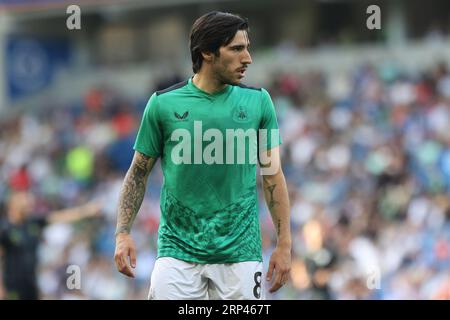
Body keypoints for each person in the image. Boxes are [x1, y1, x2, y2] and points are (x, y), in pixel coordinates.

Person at [114, 11, 291, 300]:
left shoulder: (259, 102)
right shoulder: (162, 105)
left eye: (247, 48)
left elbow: (272, 175)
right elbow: (137, 173)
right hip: (177, 253)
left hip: (241, 253)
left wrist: (284, 244)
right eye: (237, 49)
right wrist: (122, 233)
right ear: (207, 52)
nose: (248, 58)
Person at [0, 191, 101, 300]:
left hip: (31, 283)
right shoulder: (5, 229)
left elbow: (60, 216)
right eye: (24, 203)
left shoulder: (33, 223)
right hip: (12, 286)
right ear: (13, 205)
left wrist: (86, 211)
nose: (28, 206)